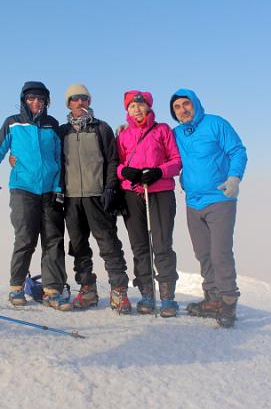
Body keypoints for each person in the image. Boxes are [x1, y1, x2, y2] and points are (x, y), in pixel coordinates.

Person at [0, 81, 68, 309]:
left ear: (46, 102)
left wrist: (59, 187)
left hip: (50, 190)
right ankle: (16, 287)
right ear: (24, 100)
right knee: (25, 238)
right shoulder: (13, 123)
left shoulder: (52, 124)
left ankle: (52, 291)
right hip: (23, 188)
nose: (36, 102)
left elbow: (60, 158)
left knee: (53, 240)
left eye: (40, 99)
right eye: (31, 98)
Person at [169, 89, 247, 327]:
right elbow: (157, 145)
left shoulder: (215, 124)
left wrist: (234, 178)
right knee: (203, 253)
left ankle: (228, 301)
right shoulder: (176, 133)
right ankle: (212, 299)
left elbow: (237, 150)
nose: (183, 110)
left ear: (195, 104)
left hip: (220, 198)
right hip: (193, 202)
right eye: (177, 107)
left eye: (186, 104)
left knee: (220, 252)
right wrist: (125, 132)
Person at [57, 83, 130, 310]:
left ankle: (119, 290)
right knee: (78, 245)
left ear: (89, 102)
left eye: (84, 98)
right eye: (75, 99)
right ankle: (87, 288)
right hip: (71, 198)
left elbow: (112, 160)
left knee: (108, 243)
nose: (80, 102)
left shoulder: (101, 128)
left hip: (97, 195)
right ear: (68, 104)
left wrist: (110, 188)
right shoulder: (62, 132)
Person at [116, 90, 182, 317]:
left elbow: (176, 161)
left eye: (140, 104)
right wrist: (125, 172)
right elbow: (117, 164)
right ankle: (146, 294)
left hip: (160, 192)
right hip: (132, 193)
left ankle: (167, 297)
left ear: (148, 107)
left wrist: (158, 172)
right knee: (139, 245)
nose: (136, 109)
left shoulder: (162, 130)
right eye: (131, 106)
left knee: (162, 244)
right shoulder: (123, 134)